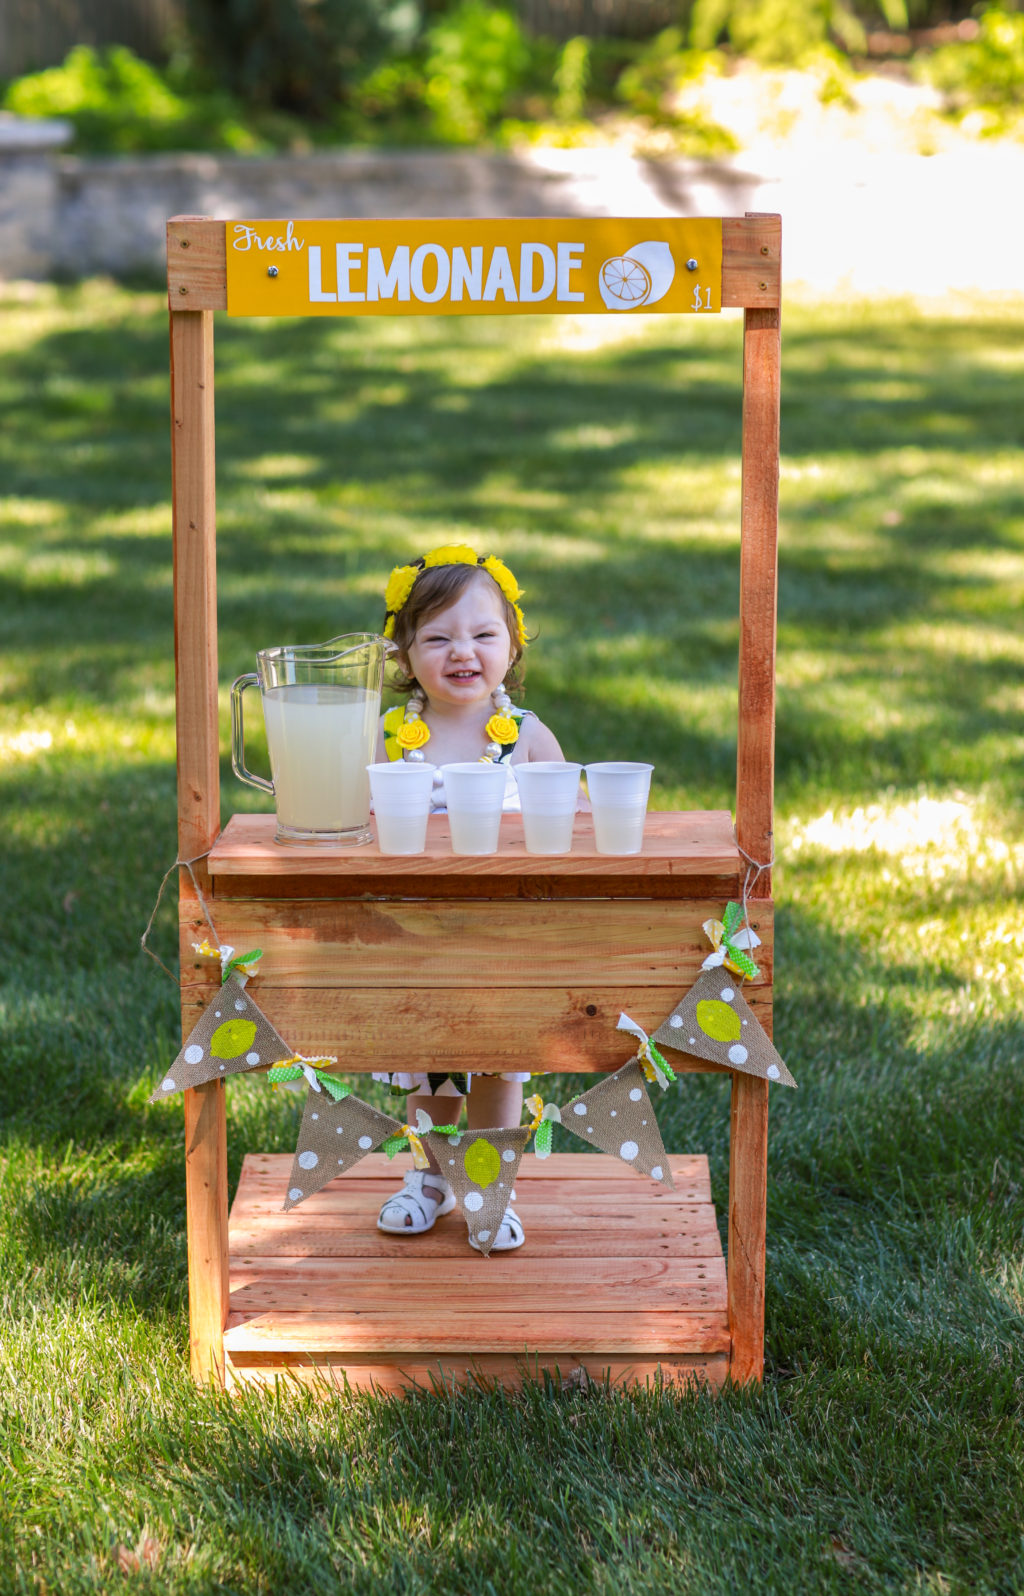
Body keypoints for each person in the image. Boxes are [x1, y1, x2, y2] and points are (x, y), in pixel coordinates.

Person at [371, 542, 566, 1251]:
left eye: (484, 634)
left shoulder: (527, 738)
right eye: (438, 637)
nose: (464, 651)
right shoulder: (396, 739)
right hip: (418, 937)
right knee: (427, 1065)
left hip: (504, 937)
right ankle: (425, 1176)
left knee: (497, 1062)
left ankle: (488, 1187)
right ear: (404, 654)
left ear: (511, 646)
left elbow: (568, 828)